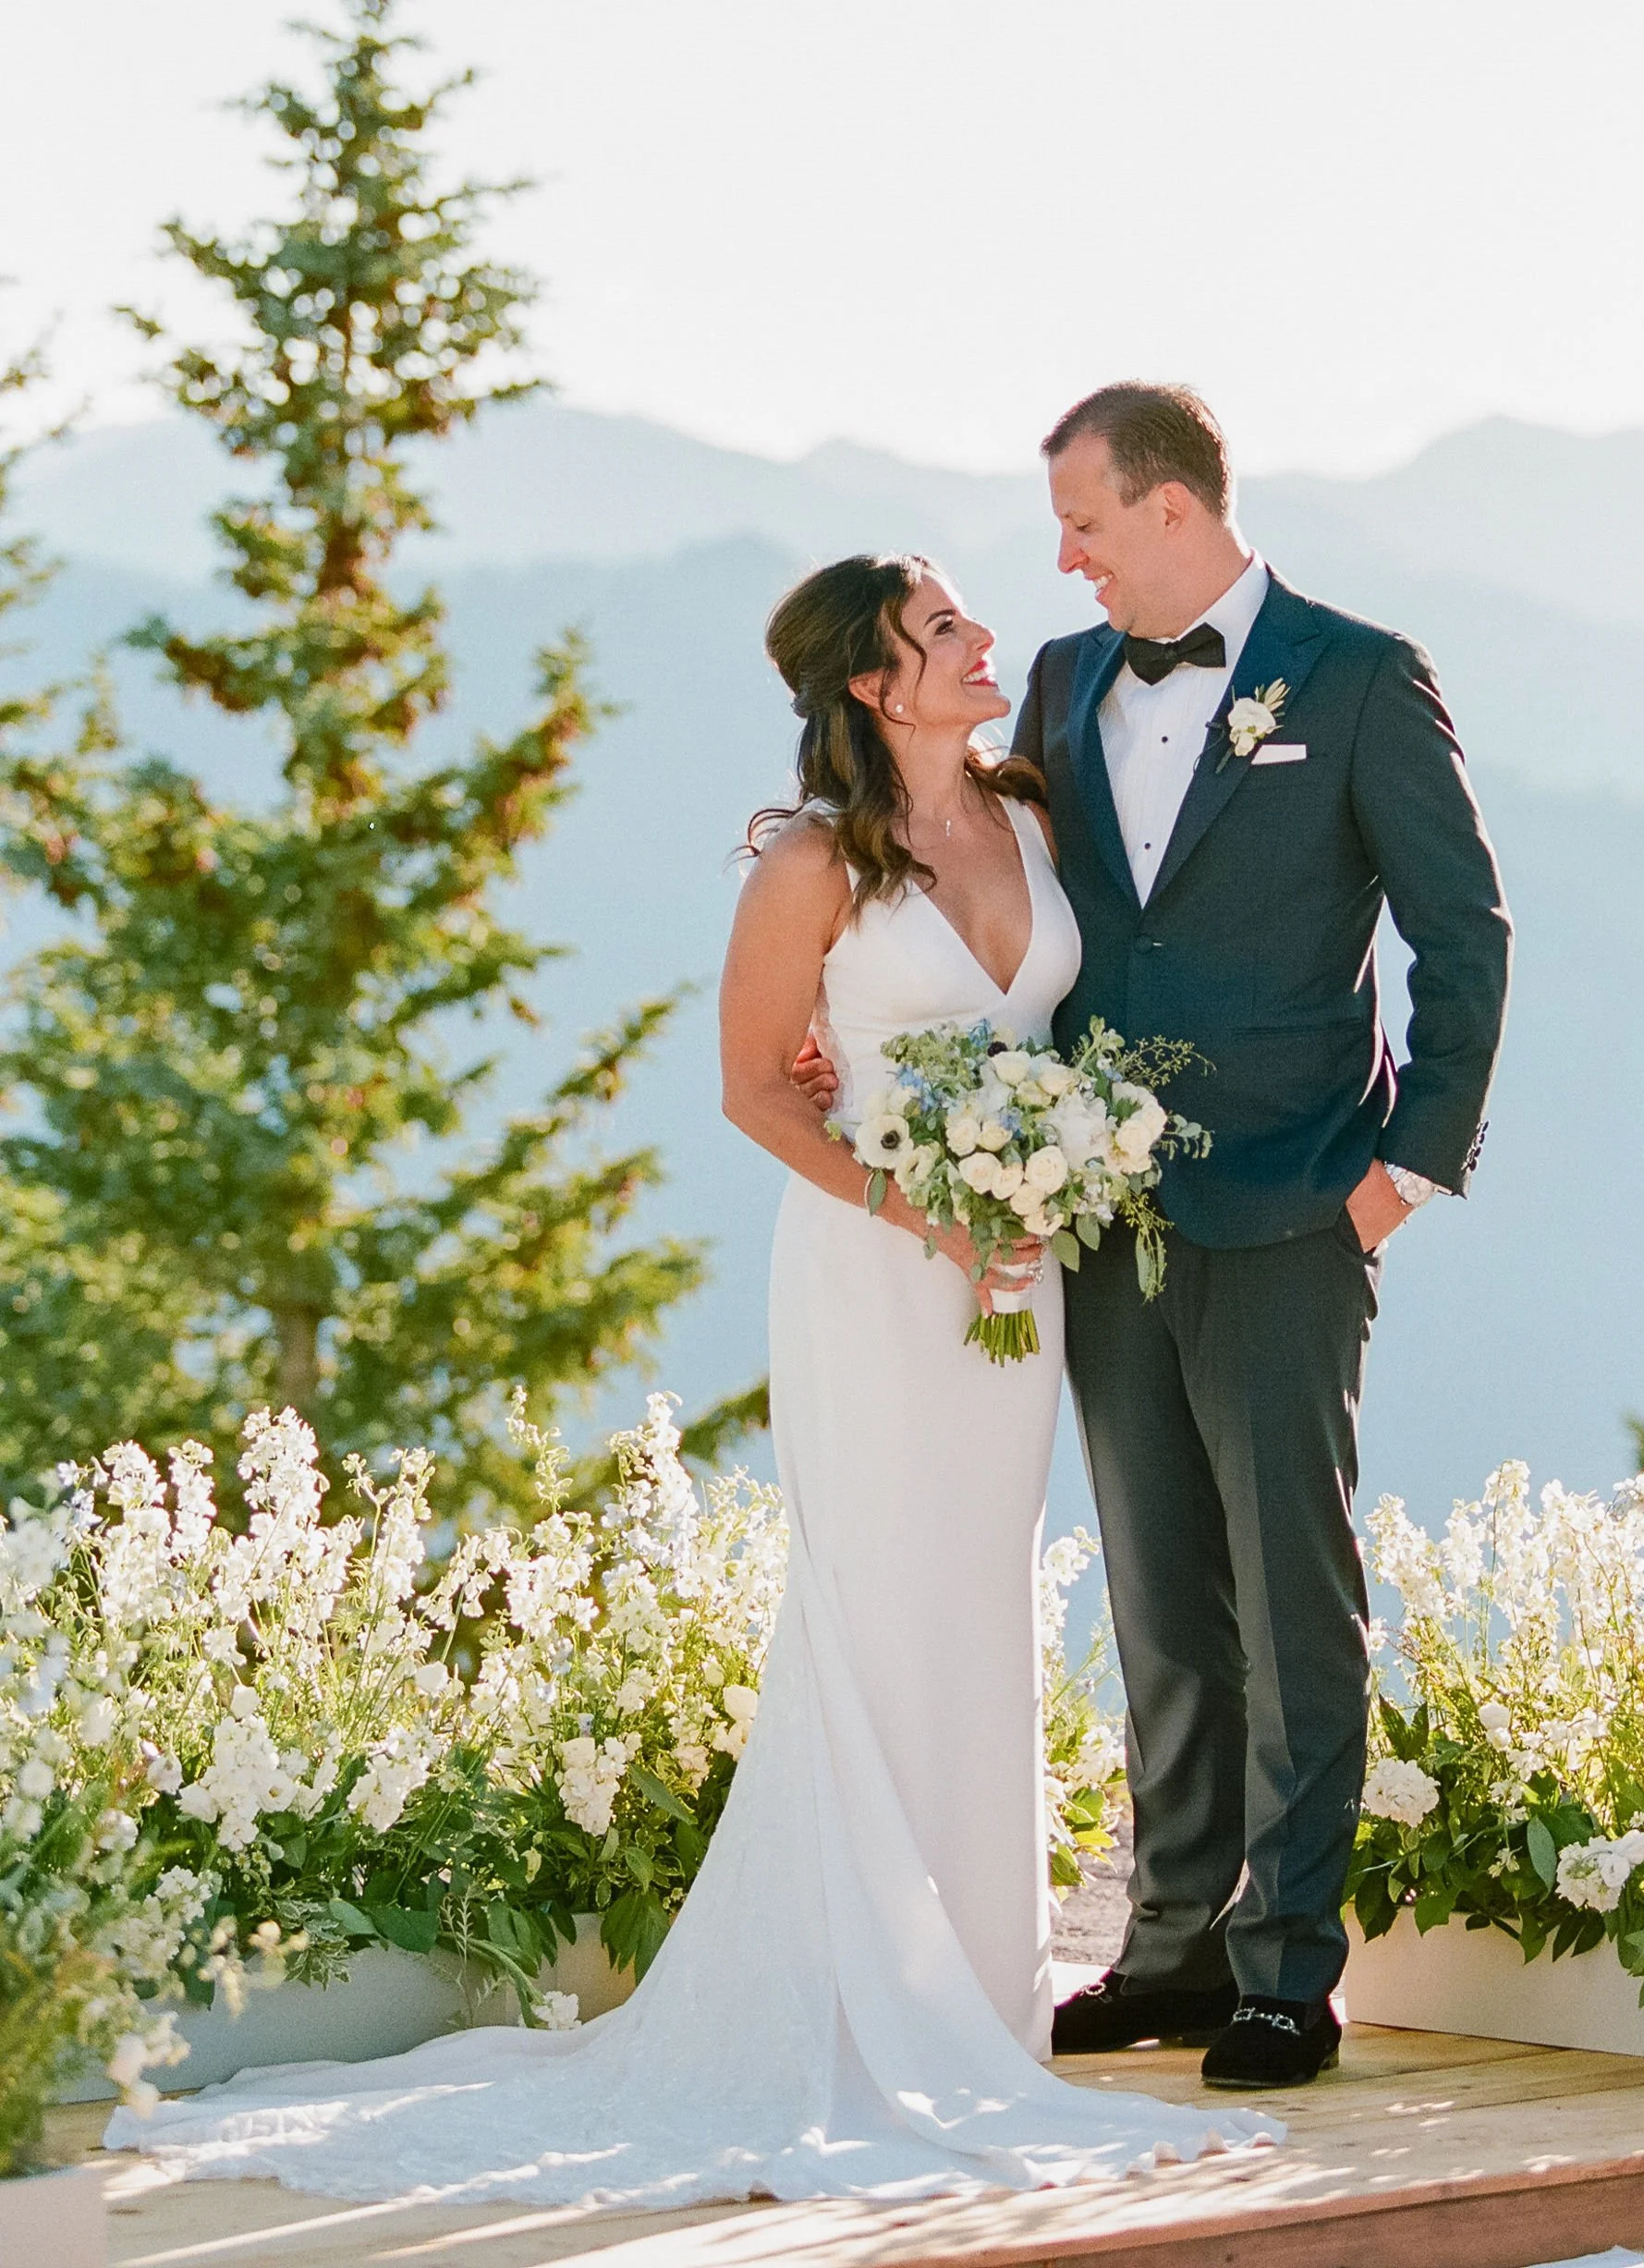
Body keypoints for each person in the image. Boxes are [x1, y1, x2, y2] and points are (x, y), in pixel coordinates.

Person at [105, 550, 1273, 2213]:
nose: (981, 640)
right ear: (873, 684)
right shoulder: (809, 866)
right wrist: (919, 1205)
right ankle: (867, 2008)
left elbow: (1067, 1027)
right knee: (874, 1612)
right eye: (943, 630)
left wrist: (1047, 1167)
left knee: (979, 1603)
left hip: (1015, 1286)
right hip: (879, 1276)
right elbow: (753, 1089)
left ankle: (979, 2001)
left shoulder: (1032, 814)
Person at [1018, 384, 1512, 2090]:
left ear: (1169, 509)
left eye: (1083, 522)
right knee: (1161, 1602)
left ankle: (1292, 1969)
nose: (1064, 558)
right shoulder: (1066, 680)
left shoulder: (1359, 672)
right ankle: (1167, 1951)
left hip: (1298, 1205)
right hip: (1103, 1219)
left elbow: (1467, 932)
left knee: (1295, 1602)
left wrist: (1407, 1171)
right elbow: (1015, 909)